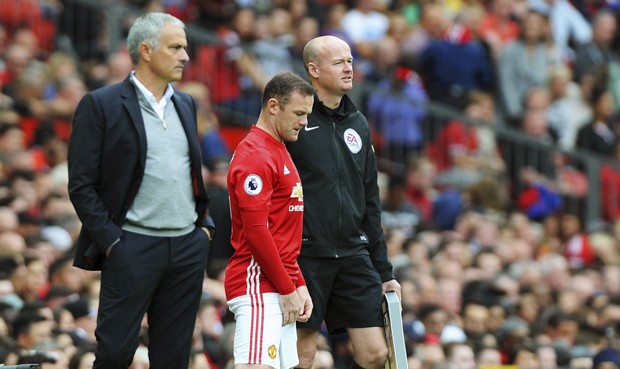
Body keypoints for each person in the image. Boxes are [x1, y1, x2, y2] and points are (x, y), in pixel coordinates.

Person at [67, 12, 213, 369]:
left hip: (186, 247)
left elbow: (189, 172)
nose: (185, 56)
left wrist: (203, 227)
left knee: (174, 357)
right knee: (115, 354)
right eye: (176, 47)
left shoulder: (186, 103)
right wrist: (113, 241)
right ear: (145, 51)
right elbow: (81, 184)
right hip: (131, 245)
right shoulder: (100, 104)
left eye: (186, 47)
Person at [286, 35, 401, 369]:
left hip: (353, 253)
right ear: (314, 70)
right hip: (307, 255)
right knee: (302, 355)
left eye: (350, 60)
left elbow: (370, 199)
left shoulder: (359, 123)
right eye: (339, 62)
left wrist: (384, 270)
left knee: (376, 354)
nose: (349, 68)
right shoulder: (297, 118)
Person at [225, 71, 314, 369]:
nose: (304, 121)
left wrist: (297, 282)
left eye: (307, 114)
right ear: (273, 106)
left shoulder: (279, 150)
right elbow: (256, 231)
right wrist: (288, 288)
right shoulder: (256, 155)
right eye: (299, 113)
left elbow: (280, 232)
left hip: (276, 283)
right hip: (257, 283)